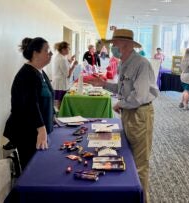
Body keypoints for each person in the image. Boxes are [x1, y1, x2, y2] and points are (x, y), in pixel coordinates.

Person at [86, 29, 158, 203]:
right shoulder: (123, 63)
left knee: (140, 164)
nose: (112, 48)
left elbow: (138, 97)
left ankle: (142, 199)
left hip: (140, 115)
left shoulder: (141, 64)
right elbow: (121, 89)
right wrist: (103, 84)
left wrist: (121, 104)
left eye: (115, 44)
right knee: (128, 156)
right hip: (128, 113)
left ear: (126, 45)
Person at [3, 37, 54, 169]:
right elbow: (31, 105)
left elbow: (46, 98)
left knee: (41, 167)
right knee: (32, 169)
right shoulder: (25, 75)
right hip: (28, 132)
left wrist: (52, 117)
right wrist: (41, 129)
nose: (50, 54)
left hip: (40, 130)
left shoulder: (40, 72)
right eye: (47, 51)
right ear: (35, 53)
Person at [52, 41, 78, 109]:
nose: (69, 50)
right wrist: (74, 65)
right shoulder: (62, 59)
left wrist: (70, 61)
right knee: (60, 103)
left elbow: (65, 67)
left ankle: (59, 114)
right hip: (61, 83)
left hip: (59, 82)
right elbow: (68, 74)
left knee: (59, 102)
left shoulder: (60, 56)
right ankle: (60, 116)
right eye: (68, 48)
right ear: (63, 49)